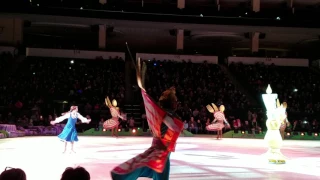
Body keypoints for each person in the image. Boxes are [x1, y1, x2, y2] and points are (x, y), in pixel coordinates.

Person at [111, 59, 184, 180]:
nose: (177, 103)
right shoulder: (166, 114)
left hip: (161, 148)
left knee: (151, 167)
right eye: (175, 101)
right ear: (172, 103)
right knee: (157, 171)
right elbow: (170, 124)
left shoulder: (161, 113)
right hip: (161, 150)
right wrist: (176, 128)